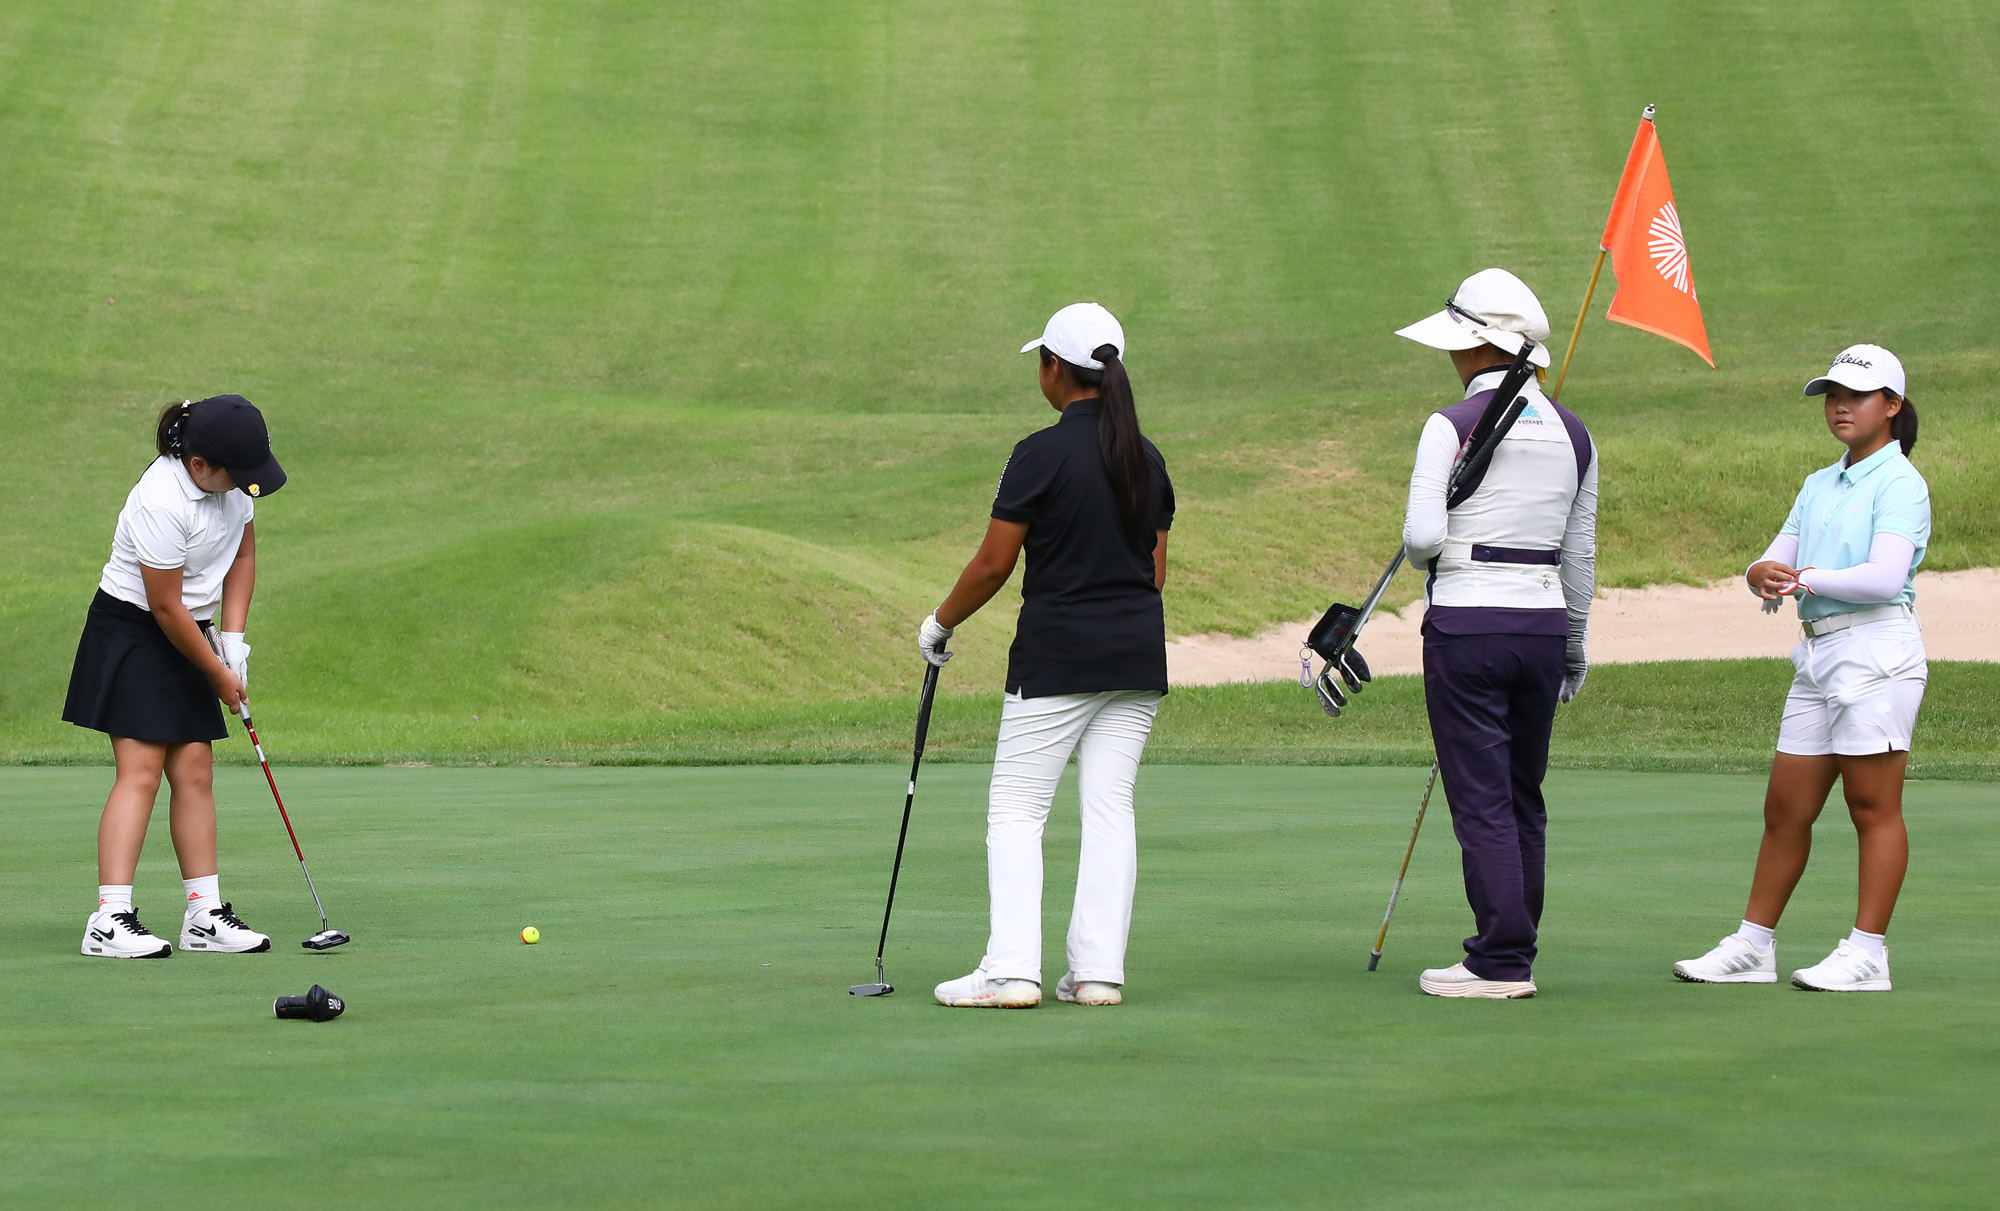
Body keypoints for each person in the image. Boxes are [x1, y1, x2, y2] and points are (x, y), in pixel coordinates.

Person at [920, 302, 1174, 1009]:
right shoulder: (1147, 458)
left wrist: (939, 624)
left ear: (1054, 369)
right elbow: (1154, 572)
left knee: (1017, 808)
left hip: (1058, 658)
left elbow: (993, 565)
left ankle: (1011, 971)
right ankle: (1097, 974)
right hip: (1135, 658)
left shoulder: (1038, 454)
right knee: (1110, 808)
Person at [1674, 344, 1928, 993]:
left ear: (1891, 406)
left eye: (1857, 396)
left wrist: (1805, 577)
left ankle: (1867, 953)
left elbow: (1885, 577)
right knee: (1785, 807)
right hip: (1817, 653)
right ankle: (1753, 945)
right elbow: (1772, 560)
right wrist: (1759, 572)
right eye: (1832, 395)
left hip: (1877, 650)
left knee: (1872, 806)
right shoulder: (1819, 483)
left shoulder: (1901, 483)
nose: (1840, 406)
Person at [1393, 268, 1597, 999]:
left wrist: (1433, 547)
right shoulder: (1575, 432)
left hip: (1467, 624)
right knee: (1521, 793)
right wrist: (1574, 644)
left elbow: (1422, 539)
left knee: (1481, 796)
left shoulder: (1448, 424)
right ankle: (1515, 946)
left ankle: (1501, 959)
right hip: (1542, 625)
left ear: (1480, 346)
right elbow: (1579, 556)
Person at [66, 395, 288, 958]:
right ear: (198, 464)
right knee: (141, 771)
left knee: (194, 768)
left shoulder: (233, 483)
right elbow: (165, 606)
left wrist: (232, 642)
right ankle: (108, 919)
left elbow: (242, 558)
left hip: (192, 629)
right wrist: (216, 673)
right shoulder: (160, 500)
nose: (244, 486)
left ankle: (203, 915)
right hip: (134, 629)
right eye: (236, 475)